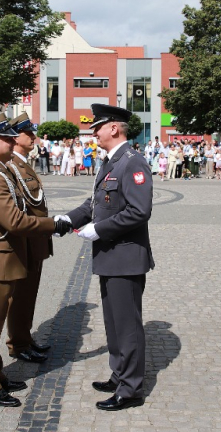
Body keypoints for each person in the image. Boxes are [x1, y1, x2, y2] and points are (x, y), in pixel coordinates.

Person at [0, 112, 70, 408]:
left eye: (13, 138)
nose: (13, 143)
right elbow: (13, 221)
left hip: (5, 258)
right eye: (7, 139)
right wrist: (55, 224)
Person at [61, 103, 154, 412]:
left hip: (125, 257)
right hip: (111, 257)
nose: (94, 132)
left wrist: (99, 230)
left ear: (114, 128)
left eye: (97, 127)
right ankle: (119, 374)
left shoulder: (131, 162)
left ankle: (131, 389)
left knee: (127, 326)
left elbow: (139, 212)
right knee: (114, 323)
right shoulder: (110, 162)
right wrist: (67, 220)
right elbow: (95, 202)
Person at [4, 113, 53, 364]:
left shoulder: (23, 162)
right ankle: (18, 344)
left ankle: (25, 337)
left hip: (35, 241)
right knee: (21, 296)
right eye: (28, 133)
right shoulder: (12, 165)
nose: (33, 136)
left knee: (28, 294)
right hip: (25, 242)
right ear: (14, 137)